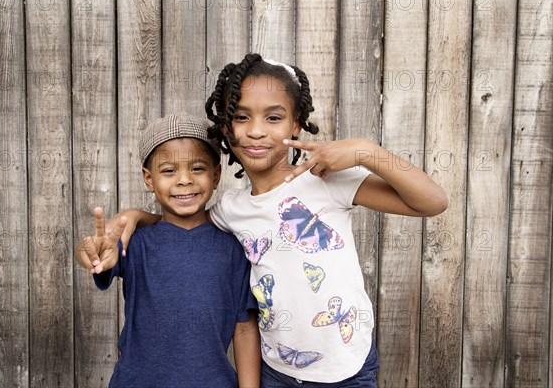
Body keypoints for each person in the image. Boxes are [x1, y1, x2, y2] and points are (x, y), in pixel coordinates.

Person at [79, 54, 448, 387]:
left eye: (273, 117)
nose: (256, 130)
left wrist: (368, 152)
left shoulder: (327, 181)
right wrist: (134, 216)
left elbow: (431, 202)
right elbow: (182, 223)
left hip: (347, 367)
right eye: (241, 117)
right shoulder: (231, 211)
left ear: (296, 124)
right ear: (226, 128)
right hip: (277, 370)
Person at [74, 111, 260, 388]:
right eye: (169, 170)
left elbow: (244, 328)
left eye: (197, 168)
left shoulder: (234, 248)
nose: (184, 180)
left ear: (216, 174)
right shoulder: (135, 242)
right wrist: (88, 250)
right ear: (149, 179)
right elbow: (95, 252)